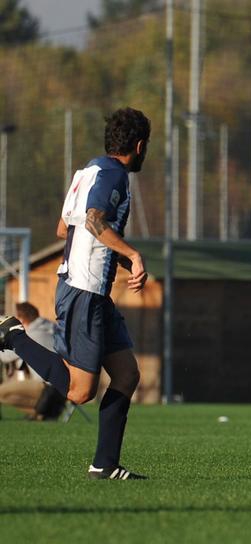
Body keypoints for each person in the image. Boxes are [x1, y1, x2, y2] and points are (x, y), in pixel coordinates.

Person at [0, 107, 150, 480]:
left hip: (92, 289)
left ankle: (104, 465)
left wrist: (115, 253)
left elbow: (63, 227)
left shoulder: (88, 172)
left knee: (127, 375)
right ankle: (14, 335)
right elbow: (95, 219)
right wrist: (130, 252)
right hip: (84, 289)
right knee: (80, 392)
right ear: (139, 145)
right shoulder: (114, 175)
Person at [0, 302, 62, 420]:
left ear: (21, 318)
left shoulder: (31, 334)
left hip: (47, 387)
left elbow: (6, 357)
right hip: (61, 385)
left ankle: (44, 411)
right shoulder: (50, 327)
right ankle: (41, 412)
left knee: (1, 392)